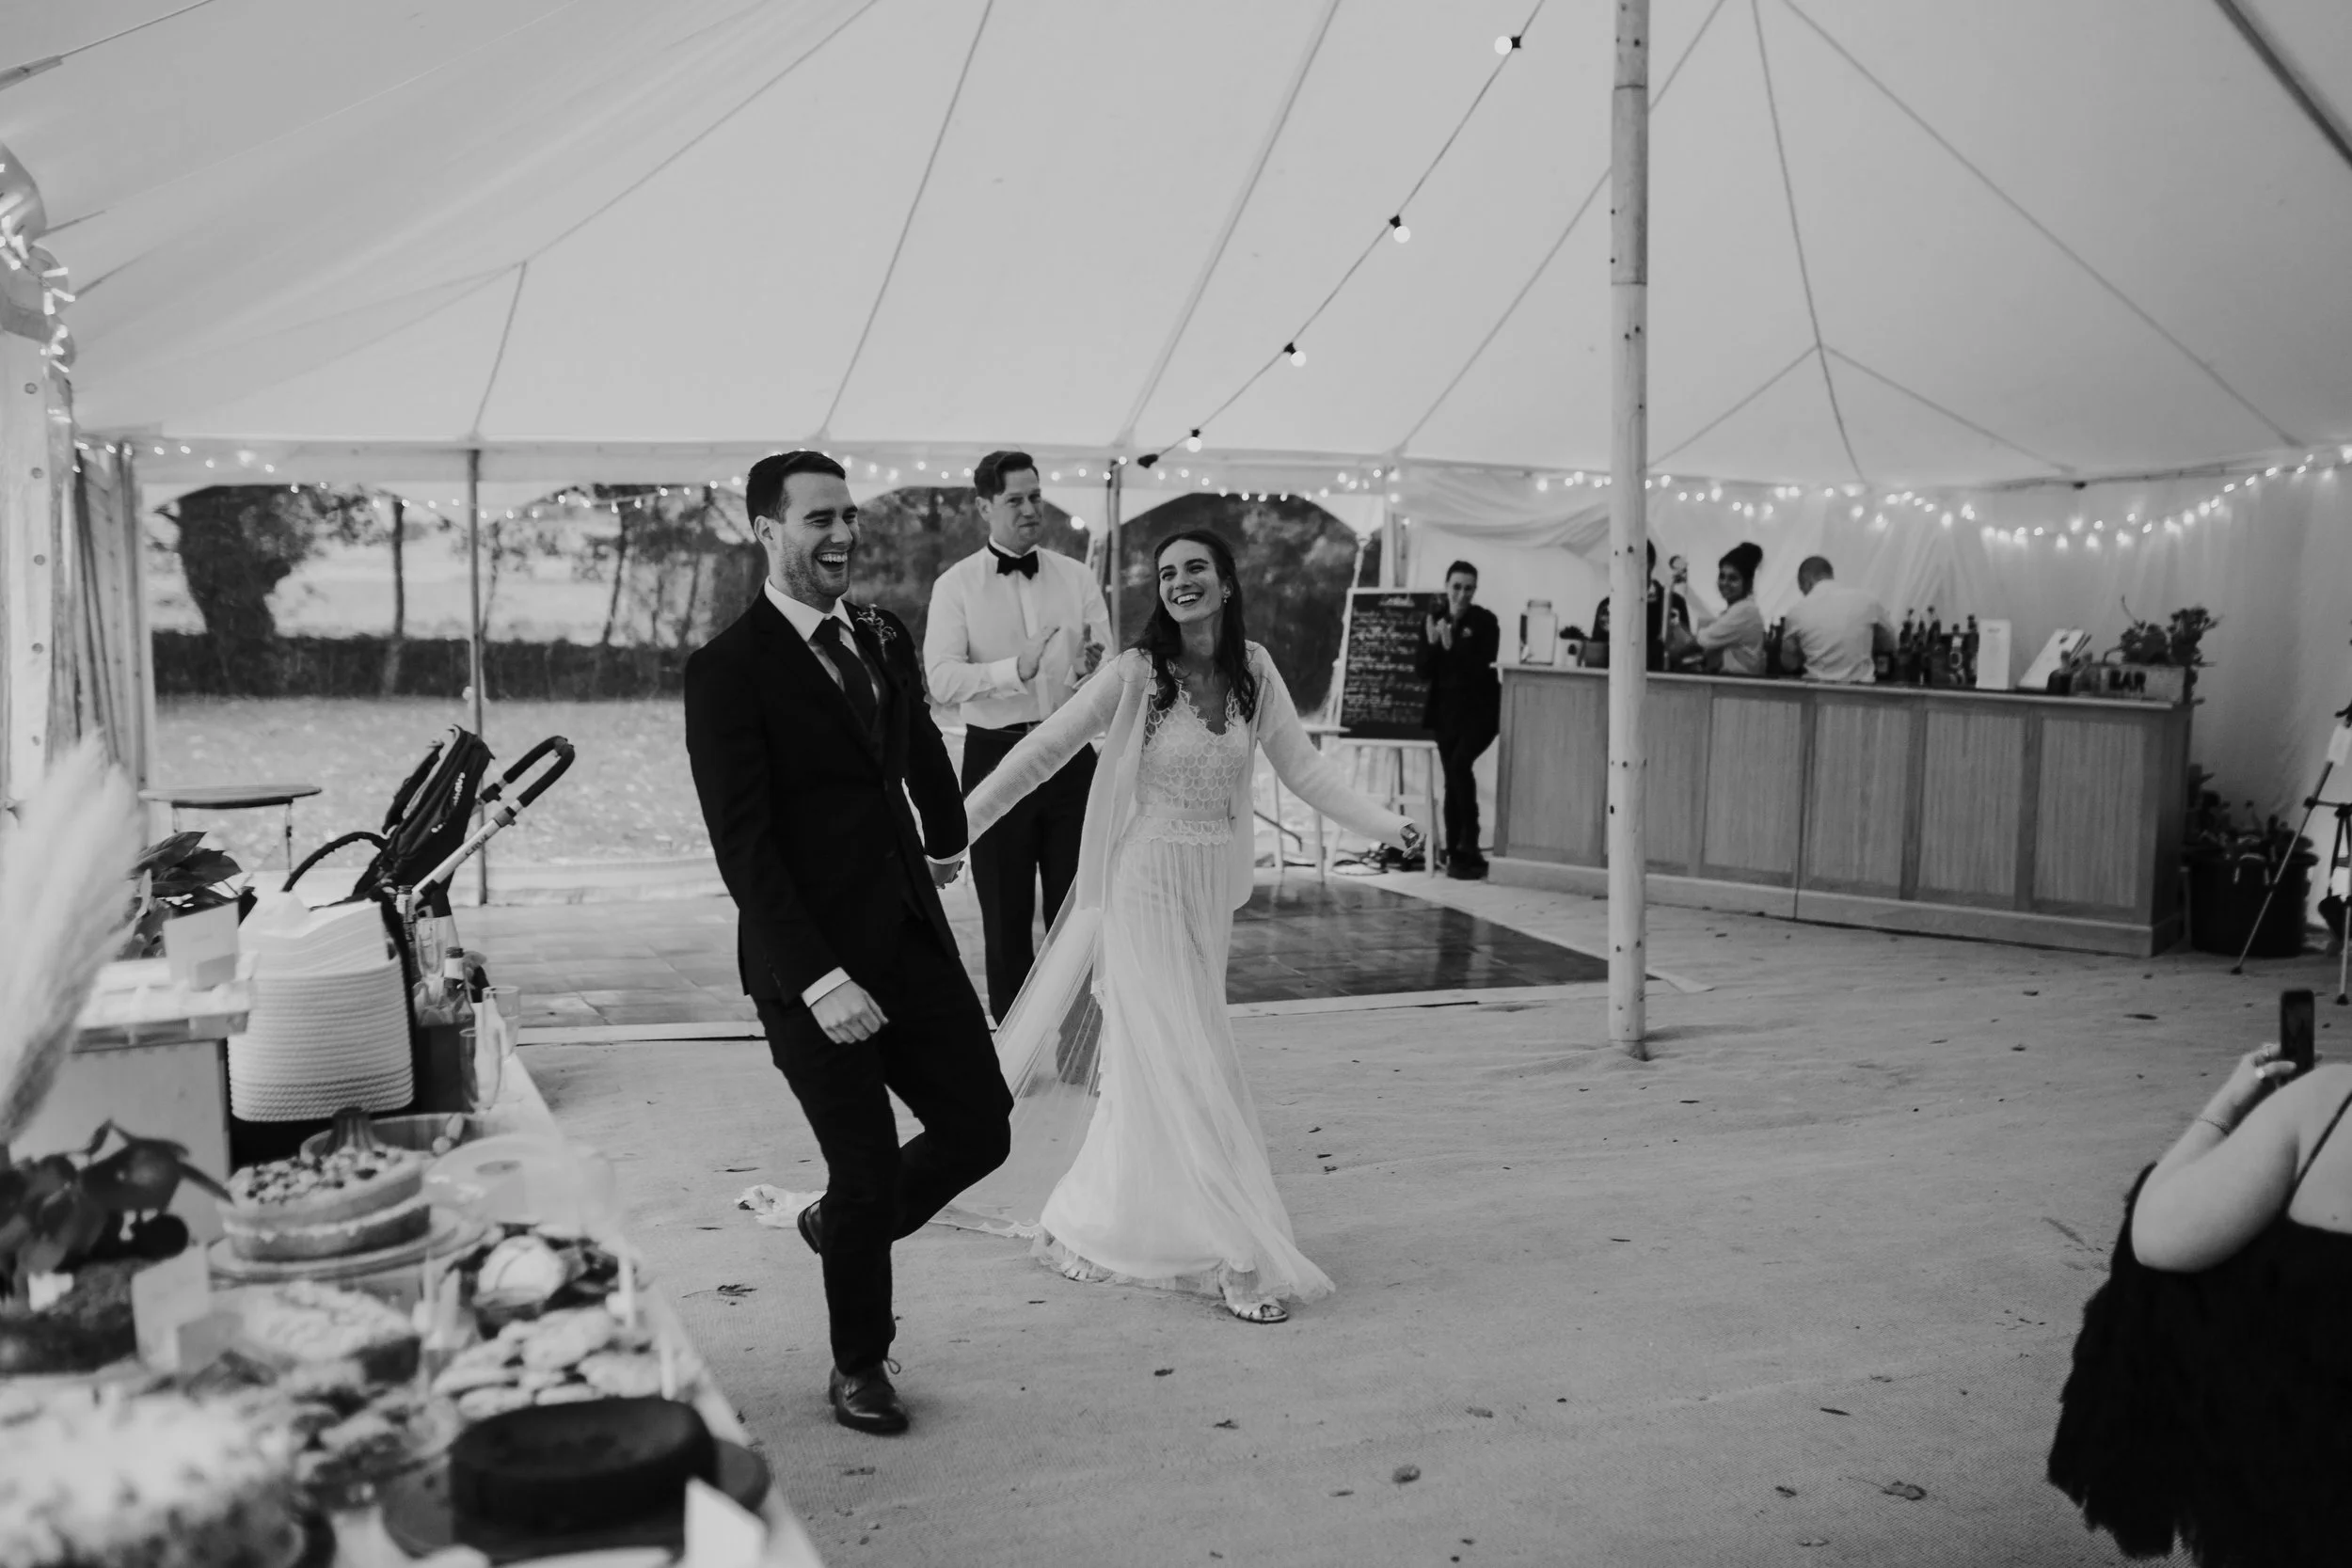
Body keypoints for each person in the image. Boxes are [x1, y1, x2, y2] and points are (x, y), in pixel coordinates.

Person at [945, 530, 1422, 1323]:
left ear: (1227, 582)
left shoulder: (1255, 670)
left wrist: (1387, 822)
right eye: (1166, 574)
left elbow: (1306, 771)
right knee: (1193, 1059)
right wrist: (955, 831)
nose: (1179, 582)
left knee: (1160, 1064)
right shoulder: (1136, 673)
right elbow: (1042, 751)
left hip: (1207, 894)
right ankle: (1237, 1252)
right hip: (1143, 884)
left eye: (1195, 567)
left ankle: (1099, 1218)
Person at [684, 451, 1011, 1438]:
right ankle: (858, 1362)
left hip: (908, 929)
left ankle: (836, 1228)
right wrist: (819, 976)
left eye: (847, 519)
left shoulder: (876, 630)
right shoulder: (727, 671)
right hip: (808, 962)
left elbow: (914, 742)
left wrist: (948, 835)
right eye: (817, 520)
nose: (839, 538)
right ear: (765, 530)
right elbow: (742, 846)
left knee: (980, 1125)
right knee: (865, 1164)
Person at [2048, 1042, 2352, 1564]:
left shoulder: (2328, 1101)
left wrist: (2229, 1104)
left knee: (2197, 1258)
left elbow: (2154, 1235)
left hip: (2312, 1472)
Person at [923, 450, 1111, 1022]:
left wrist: (1087, 675)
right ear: (984, 506)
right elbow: (941, 679)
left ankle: (1079, 1042)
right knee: (1003, 916)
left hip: (1070, 754)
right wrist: (1014, 670)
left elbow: (1109, 664)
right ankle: (1011, 1053)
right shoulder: (955, 585)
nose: (1031, 509)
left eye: (1035, 496)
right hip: (995, 758)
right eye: (1015, 500)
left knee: (1077, 911)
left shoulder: (1077, 576)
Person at [1420, 560, 1501, 879]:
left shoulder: (1485, 622)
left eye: (1468, 588)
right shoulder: (1434, 620)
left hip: (1479, 713)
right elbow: (1422, 670)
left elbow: (1479, 669)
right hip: (1445, 714)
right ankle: (1457, 851)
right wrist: (1432, 644)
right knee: (1452, 779)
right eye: (1456, 587)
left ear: (1475, 590)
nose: (1461, 594)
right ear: (1446, 587)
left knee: (1458, 768)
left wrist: (1452, 647)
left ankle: (1470, 844)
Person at [1779, 555, 1892, 683]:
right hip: (1861, 693)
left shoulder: (1797, 611)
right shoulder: (1868, 601)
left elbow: (1789, 664)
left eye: (1802, 589)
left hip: (1817, 693)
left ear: (1807, 581)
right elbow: (1891, 645)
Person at [1589, 541, 1690, 672]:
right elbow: (1598, 654)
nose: (1632, 567)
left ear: (1652, 564)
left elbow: (1687, 653)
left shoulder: (1674, 603)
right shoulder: (1608, 606)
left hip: (1664, 685)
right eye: (1626, 562)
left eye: (1639, 561)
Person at [1673, 542, 1766, 675]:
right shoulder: (1735, 610)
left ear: (1748, 583)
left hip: (1737, 688)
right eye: (1722, 576)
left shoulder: (1745, 611)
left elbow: (1699, 643)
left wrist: (1676, 639)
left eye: (1733, 578)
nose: (1725, 583)